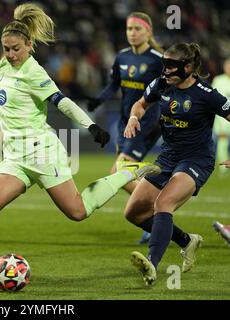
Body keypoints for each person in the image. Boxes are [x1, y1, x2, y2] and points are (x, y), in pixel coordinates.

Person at [0, 3, 161, 290]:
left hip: (42, 153)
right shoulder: (5, 64)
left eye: (15, 49)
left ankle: (128, 173)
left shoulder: (34, 72)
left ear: (29, 46)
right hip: (15, 157)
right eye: (6, 48)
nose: (10, 55)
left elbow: (62, 102)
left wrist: (91, 126)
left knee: (78, 212)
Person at [123, 43, 230, 285]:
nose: (166, 71)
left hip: (196, 160)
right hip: (167, 158)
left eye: (172, 66)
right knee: (133, 213)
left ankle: (152, 263)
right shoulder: (160, 84)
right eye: (165, 65)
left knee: (163, 202)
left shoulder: (206, 94)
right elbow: (140, 104)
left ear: (188, 67)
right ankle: (186, 240)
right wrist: (133, 117)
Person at [87, 12, 164, 245]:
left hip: (147, 121)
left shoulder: (157, 59)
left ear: (148, 32)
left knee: (118, 170)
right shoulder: (121, 57)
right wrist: (99, 100)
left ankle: (157, 207)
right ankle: (155, 210)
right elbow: (113, 85)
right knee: (120, 170)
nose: (132, 33)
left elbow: (169, 87)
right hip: (125, 121)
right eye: (129, 29)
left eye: (137, 29)